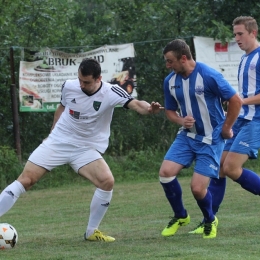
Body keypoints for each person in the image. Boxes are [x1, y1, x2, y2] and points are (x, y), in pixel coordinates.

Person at [0, 58, 163, 242]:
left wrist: (149, 109)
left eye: (86, 82)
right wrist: (52, 132)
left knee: (106, 181)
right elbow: (61, 107)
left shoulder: (111, 92)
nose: (81, 84)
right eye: (80, 80)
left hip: (85, 148)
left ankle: (91, 232)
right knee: (26, 180)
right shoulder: (69, 86)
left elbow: (136, 104)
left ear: (99, 78)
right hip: (58, 142)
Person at [159, 39, 242, 239]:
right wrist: (181, 120)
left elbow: (235, 100)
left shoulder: (209, 75)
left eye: (170, 61)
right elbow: (170, 111)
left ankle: (210, 219)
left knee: (197, 188)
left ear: (184, 58)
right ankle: (180, 216)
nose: (168, 65)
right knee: (165, 173)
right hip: (187, 137)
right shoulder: (170, 81)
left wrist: (226, 128)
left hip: (210, 139)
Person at [189, 16, 260, 234]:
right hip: (241, 118)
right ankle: (210, 220)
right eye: (235, 34)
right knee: (219, 167)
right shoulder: (245, 58)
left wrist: (238, 101)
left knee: (230, 168)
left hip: (255, 120)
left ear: (253, 33)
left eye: (240, 34)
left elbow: (248, 97)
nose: (236, 38)